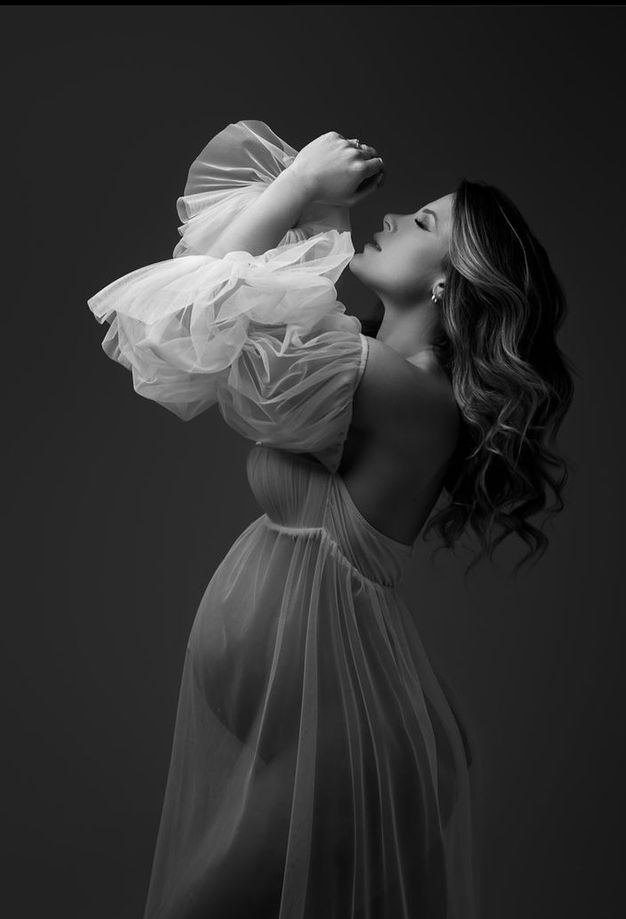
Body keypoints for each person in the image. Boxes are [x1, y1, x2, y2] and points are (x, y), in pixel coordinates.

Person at [88, 120, 574, 918]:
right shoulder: (360, 364)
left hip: (357, 747)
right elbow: (206, 303)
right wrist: (311, 207)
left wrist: (299, 192)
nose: (393, 217)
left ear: (452, 282)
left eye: (423, 223)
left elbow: (191, 305)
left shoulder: (410, 397)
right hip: (328, 730)